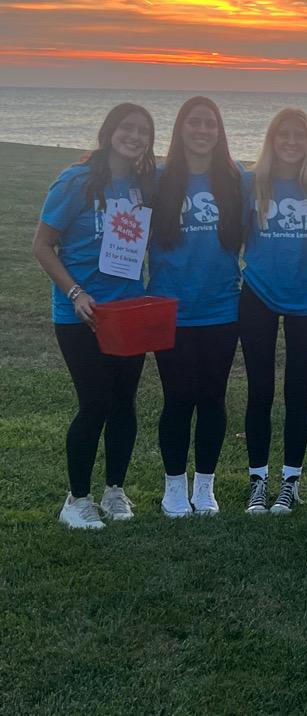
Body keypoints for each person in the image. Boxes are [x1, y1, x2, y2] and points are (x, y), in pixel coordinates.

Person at [33, 104, 157, 529]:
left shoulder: (144, 184)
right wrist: (75, 293)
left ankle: (115, 490)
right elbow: (42, 245)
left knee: (124, 403)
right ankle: (77, 499)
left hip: (128, 311)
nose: (135, 136)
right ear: (109, 131)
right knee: (95, 403)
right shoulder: (77, 180)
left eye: (143, 131)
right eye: (127, 128)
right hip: (82, 314)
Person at [149, 95, 243, 518]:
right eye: (194, 122)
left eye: (210, 123)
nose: (202, 130)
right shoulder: (157, 179)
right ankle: (174, 486)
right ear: (180, 129)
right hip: (169, 307)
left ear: (220, 132)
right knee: (177, 397)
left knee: (212, 397)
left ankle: (205, 486)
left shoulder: (235, 180)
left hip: (222, 307)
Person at [239, 108, 307, 515]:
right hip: (258, 294)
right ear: (271, 139)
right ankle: (257, 481)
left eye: (299, 135)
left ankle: (291, 482)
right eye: (283, 134)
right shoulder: (251, 181)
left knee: (297, 391)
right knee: (259, 390)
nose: (291, 142)